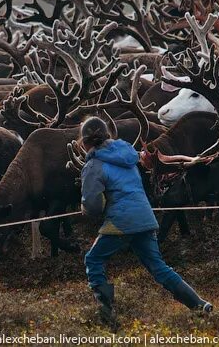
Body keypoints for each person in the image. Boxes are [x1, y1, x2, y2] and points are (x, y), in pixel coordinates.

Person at [79, 116, 211, 329]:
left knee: (93, 259)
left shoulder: (94, 165)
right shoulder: (128, 156)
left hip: (120, 221)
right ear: (107, 135)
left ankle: (108, 317)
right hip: (145, 217)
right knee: (159, 267)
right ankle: (199, 304)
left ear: (83, 142)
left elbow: (92, 207)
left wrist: (85, 208)